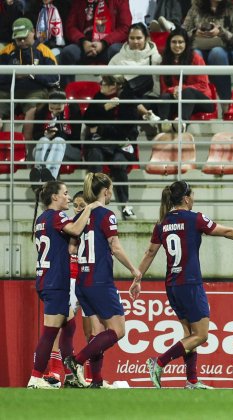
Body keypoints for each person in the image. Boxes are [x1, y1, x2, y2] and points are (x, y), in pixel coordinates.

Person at [134, 181, 233, 389]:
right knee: (201, 335)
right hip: (190, 283)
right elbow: (226, 231)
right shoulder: (194, 218)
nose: (194, 197)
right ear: (186, 198)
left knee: (189, 334)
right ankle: (158, 362)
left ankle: (192, 380)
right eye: (192, 194)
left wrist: (137, 278)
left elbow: (150, 253)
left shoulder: (162, 223)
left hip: (172, 285)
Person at [64, 172, 142, 388]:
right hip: (100, 281)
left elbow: (71, 247)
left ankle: (96, 380)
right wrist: (135, 270)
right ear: (106, 191)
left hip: (82, 280)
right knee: (117, 331)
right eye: (111, 190)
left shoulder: (80, 215)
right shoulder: (106, 215)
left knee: (98, 334)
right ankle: (76, 361)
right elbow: (115, 247)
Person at [27, 181, 101, 388]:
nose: (68, 198)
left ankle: (71, 376)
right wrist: (89, 207)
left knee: (69, 325)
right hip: (55, 281)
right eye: (66, 194)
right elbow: (76, 230)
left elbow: (66, 247)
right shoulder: (57, 216)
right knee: (50, 332)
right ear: (55, 197)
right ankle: (35, 377)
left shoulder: (41, 219)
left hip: (46, 279)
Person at [83, 75, 140, 221]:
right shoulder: (99, 97)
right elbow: (88, 121)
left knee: (119, 163)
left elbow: (125, 130)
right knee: (95, 158)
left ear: (113, 86)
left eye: (104, 84)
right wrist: (104, 108)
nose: (100, 86)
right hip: (100, 145)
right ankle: (94, 204)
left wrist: (101, 129)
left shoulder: (127, 100)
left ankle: (125, 205)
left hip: (118, 145)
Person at [0, 17, 59, 145]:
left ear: (33, 31)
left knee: (31, 106)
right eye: (18, 38)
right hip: (8, 90)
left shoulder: (45, 51)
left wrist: (32, 73)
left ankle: (26, 146)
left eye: (24, 37)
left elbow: (55, 79)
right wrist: (14, 75)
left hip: (35, 91)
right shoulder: (6, 51)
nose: (21, 41)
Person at [182, 0, 233, 109]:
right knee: (195, 55)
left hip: (226, 49)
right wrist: (195, 32)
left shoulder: (232, 9)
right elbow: (182, 33)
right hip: (200, 46)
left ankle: (226, 103)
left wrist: (220, 31)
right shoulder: (195, 8)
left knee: (217, 53)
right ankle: (198, 102)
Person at [157, 27, 216, 133]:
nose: (177, 45)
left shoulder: (196, 58)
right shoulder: (165, 61)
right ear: (169, 44)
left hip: (202, 101)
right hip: (178, 99)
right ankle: (164, 125)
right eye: (174, 42)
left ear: (186, 44)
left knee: (187, 92)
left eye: (181, 42)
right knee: (164, 97)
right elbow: (164, 88)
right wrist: (173, 91)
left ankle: (181, 123)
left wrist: (181, 89)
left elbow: (203, 85)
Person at [58, 0, 131, 85]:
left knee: (116, 51)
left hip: (109, 45)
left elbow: (125, 27)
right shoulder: (79, 2)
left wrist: (104, 43)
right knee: (68, 52)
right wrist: (83, 41)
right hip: (85, 45)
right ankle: (66, 91)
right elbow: (70, 27)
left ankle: (116, 93)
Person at [108, 23, 163, 122]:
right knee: (126, 97)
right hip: (124, 99)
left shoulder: (156, 58)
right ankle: (147, 114)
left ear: (146, 38)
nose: (135, 41)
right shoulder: (117, 59)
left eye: (139, 38)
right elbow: (107, 80)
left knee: (126, 96)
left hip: (148, 97)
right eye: (132, 38)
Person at [30, 90, 82, 184]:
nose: (54, 111)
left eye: (58, 108)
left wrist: (58, 133)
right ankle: (41, 174)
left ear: (65, 103)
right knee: (43, 140)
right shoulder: (42, 110)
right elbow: (35, 135)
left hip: (70, 150)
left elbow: (75, 138)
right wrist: (46, 134)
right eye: (52, 108)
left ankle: (47, 178)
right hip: (45, 149)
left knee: (58, 141)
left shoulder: (73, 109)